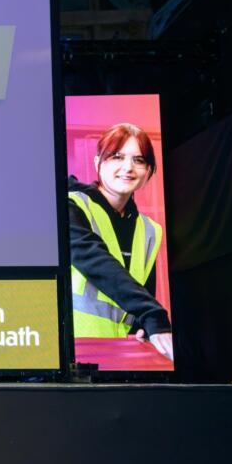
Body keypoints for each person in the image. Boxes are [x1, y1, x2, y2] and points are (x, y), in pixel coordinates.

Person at [68, 123, 173, 361]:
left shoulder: (150, 230)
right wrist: (153, 315)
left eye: (139, 160)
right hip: (74, 353)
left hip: (119, 356)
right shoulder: (73, 206)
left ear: (149, 170)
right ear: (98, 163)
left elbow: (142, 291)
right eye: (117, 156)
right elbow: (98, 262)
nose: (128, 167)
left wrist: (144, 327)